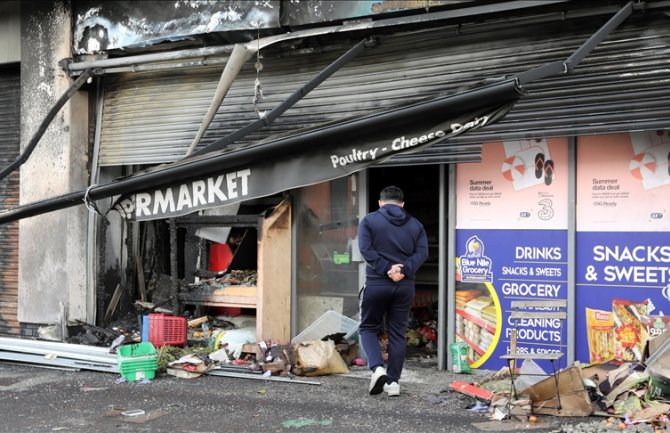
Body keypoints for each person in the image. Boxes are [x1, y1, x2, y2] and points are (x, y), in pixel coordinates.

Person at [357, 185, 429, 396]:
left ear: (380, 202)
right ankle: (394, 383)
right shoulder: (416, 225)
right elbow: (423, 253)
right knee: (397, 332)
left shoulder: (369, 221)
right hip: (404, 286)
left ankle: (377, 368)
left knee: (368, 327)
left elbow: (365, 249)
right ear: (402, 204)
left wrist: (385, 269)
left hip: (377, 283)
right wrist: (404, 269)